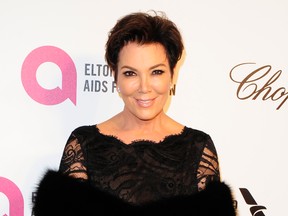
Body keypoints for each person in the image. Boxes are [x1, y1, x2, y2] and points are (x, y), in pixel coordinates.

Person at [32, 11, 236, 216]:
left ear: (172, 75)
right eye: (130, 73)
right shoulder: (84, 145)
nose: (144, 87)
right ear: (116, 77)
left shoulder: (199, 147)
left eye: (156, 72)